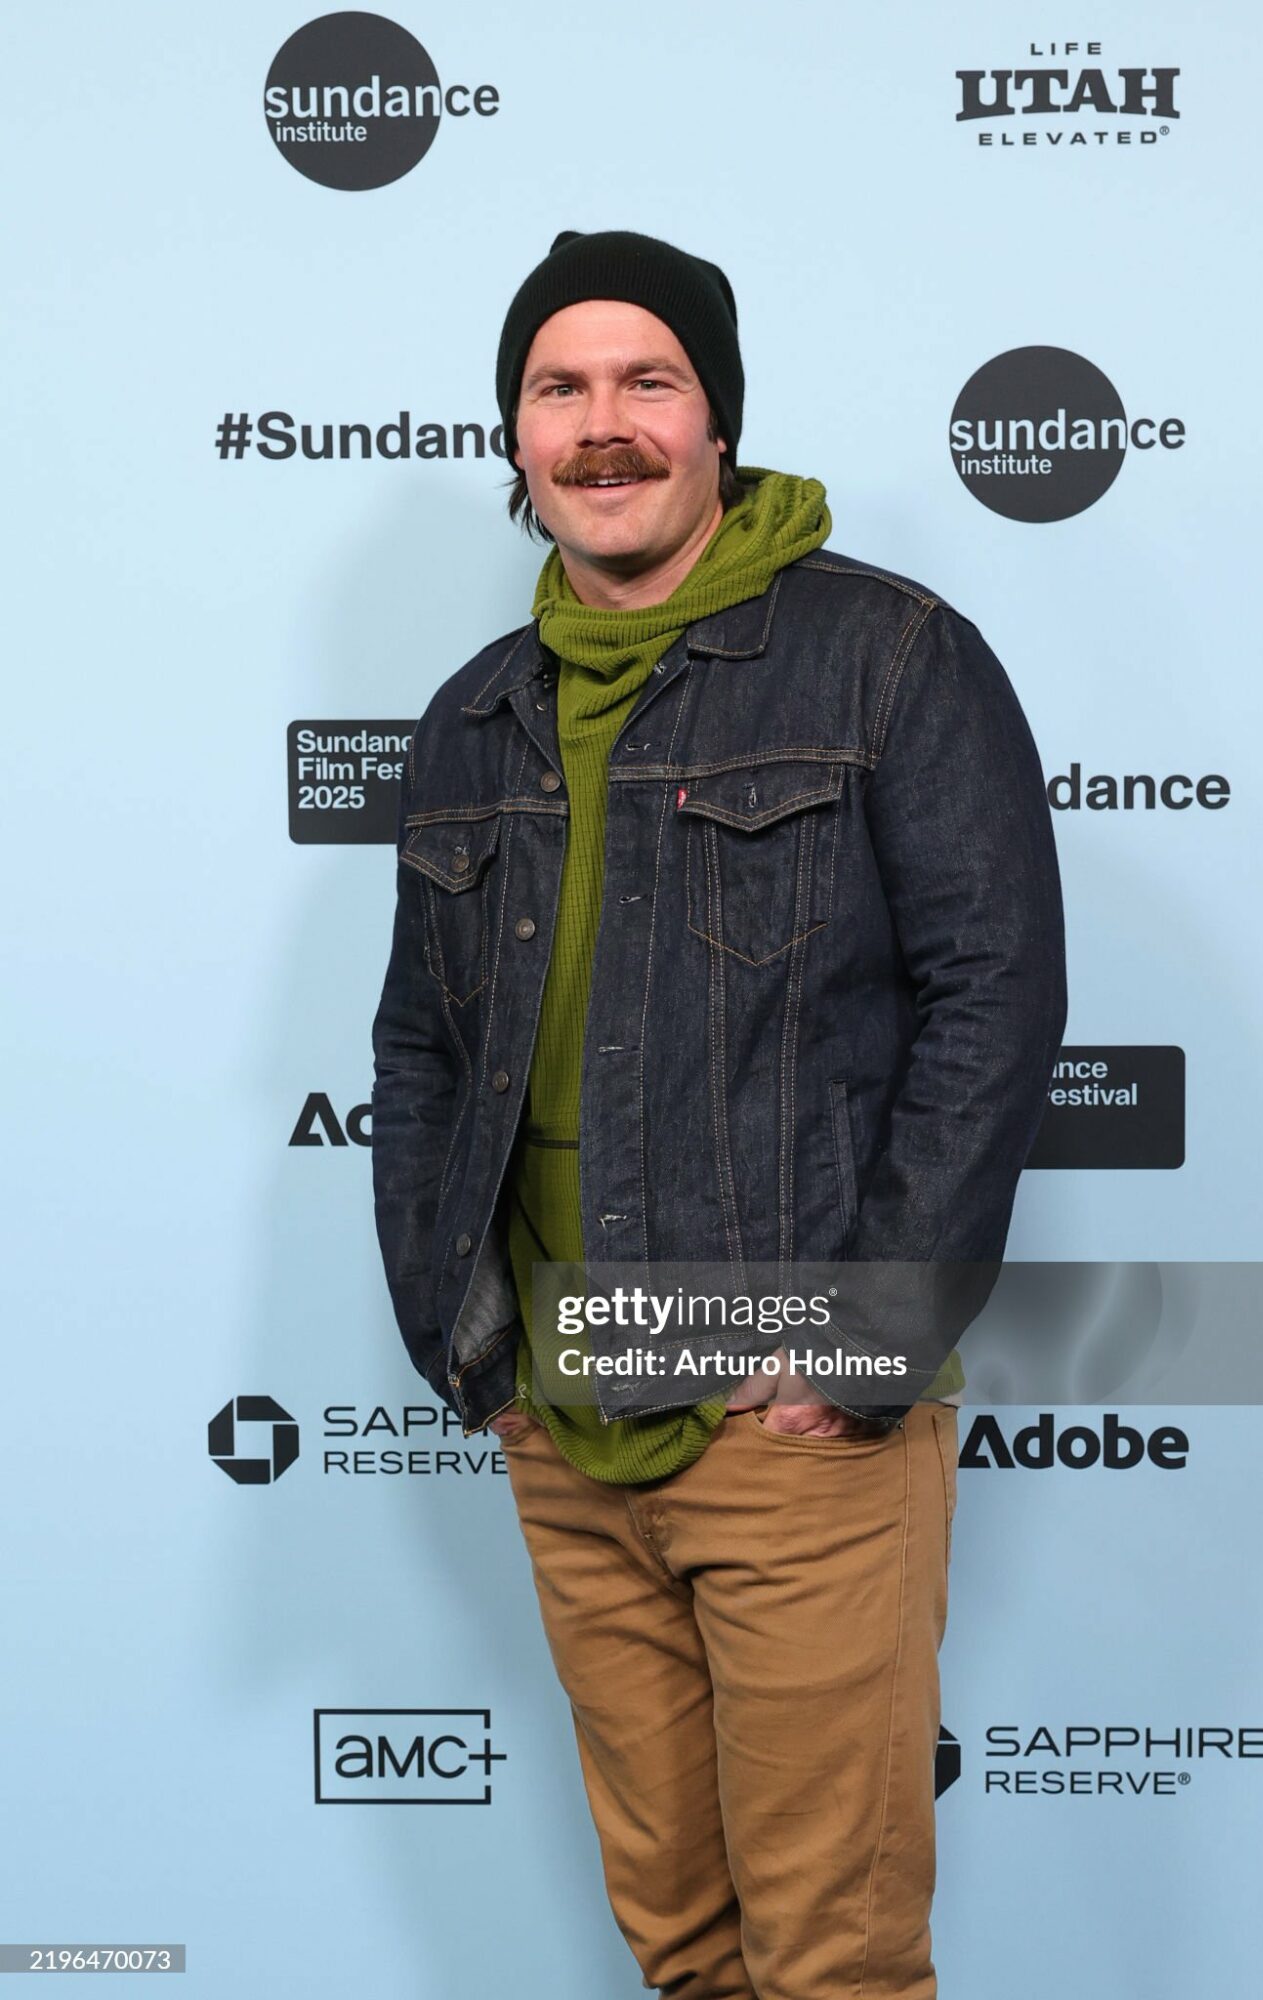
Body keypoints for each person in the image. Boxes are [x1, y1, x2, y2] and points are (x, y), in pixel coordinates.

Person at [371, 228, 1067, 1998]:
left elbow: (993, 1006)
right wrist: (473, 1353)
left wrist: (854, 1346)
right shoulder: (475, 716)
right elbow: (420, 1052)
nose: (601, 423)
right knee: (684, 1950)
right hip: (565, 1412)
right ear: (517, 434)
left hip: (788, 1412)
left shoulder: (888, 660)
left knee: (831, 1960)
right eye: (559, 386)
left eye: (648, 381)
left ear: (718, 422)